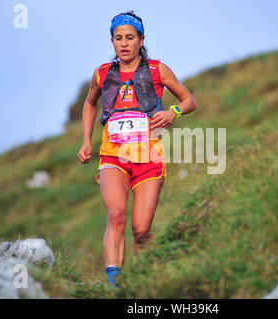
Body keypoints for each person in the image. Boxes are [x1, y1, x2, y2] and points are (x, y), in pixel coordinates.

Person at [77, 11, 197, 288]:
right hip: (113, 156)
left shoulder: (157, 70)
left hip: (149, 158)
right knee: (116, 215)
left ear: (141, 40)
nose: (124, 43)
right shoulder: (102, 73)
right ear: (112, 41)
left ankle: (145, 280)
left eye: (130, 37)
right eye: (118, 38)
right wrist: (86, 140)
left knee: (141, 229)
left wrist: (173, 112)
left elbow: (190, 100)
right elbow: (89, 104)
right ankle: (115, 285)